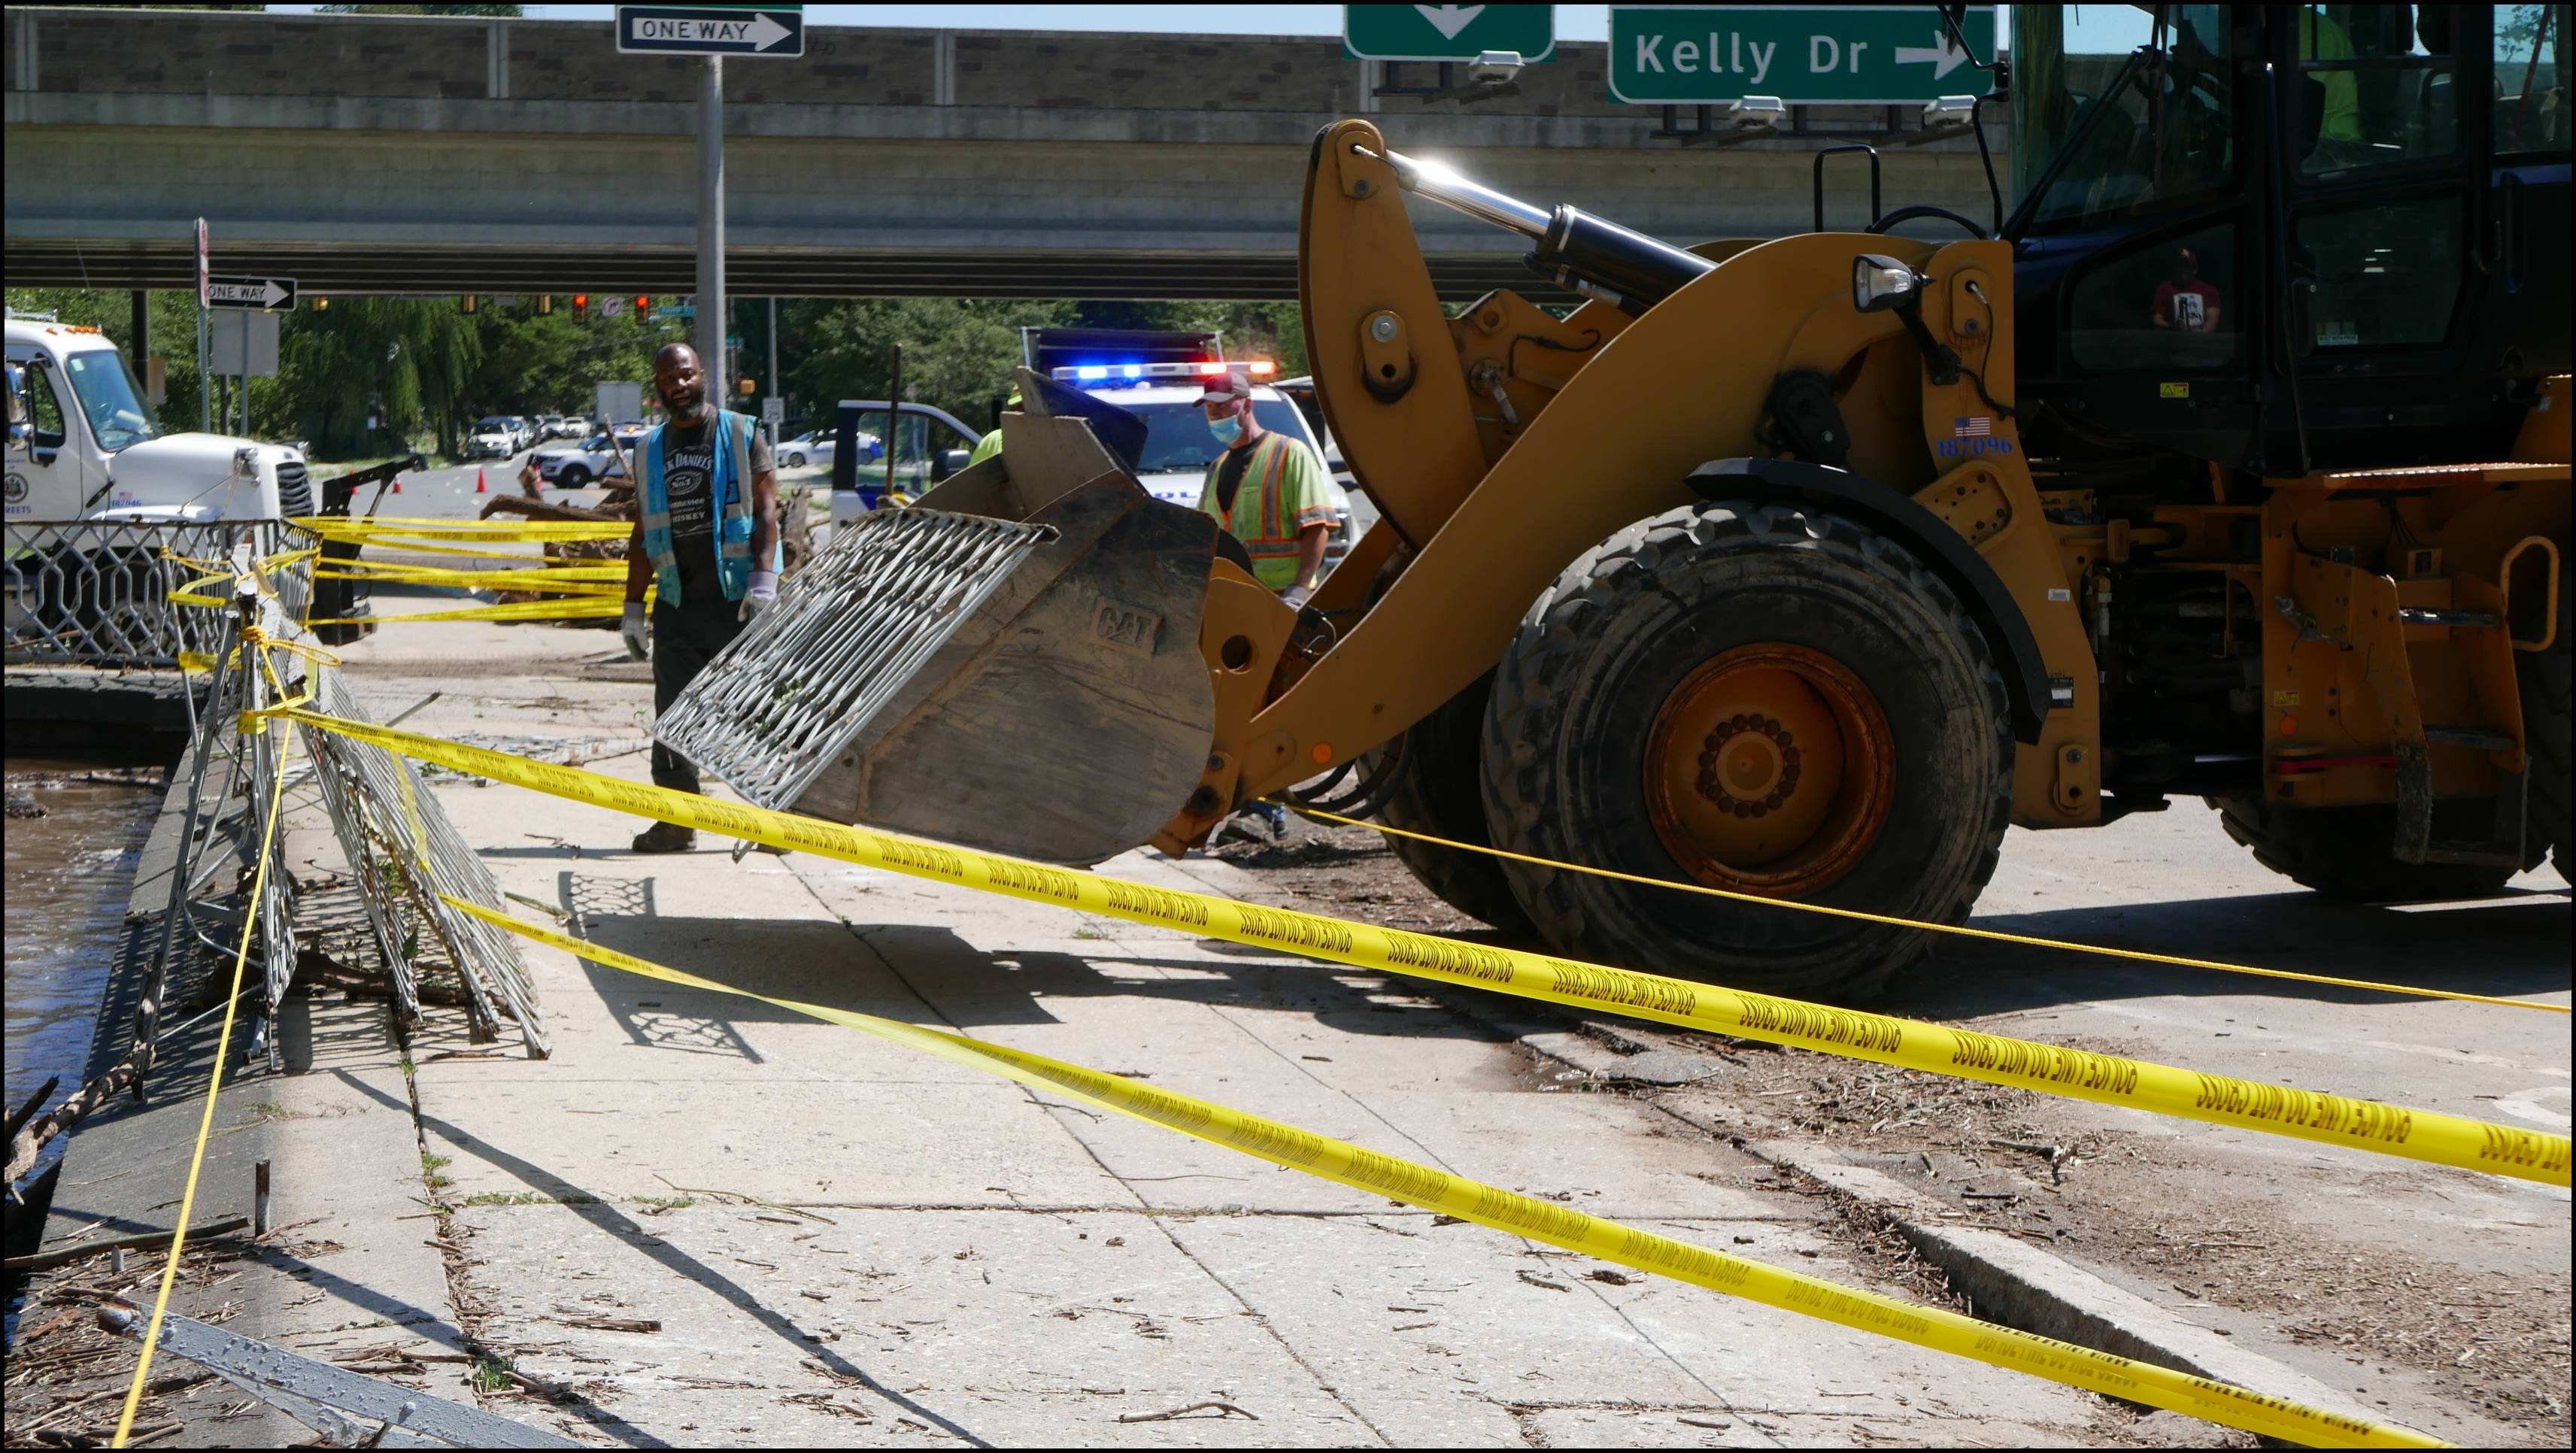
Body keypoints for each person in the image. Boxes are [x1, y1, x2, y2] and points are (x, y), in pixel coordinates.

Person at [619, 343, 781, 854]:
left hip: (736, 601)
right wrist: (630, 605)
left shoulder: (739, 432)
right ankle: (676, 821)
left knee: (752, 711)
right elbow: (643, 531)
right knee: (671, 717)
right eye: (669, 378)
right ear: (658, 386)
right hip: (676, 601)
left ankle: (774, 822)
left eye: (686, 374)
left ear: (702, 376)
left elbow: (767, 512)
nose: (679, 384)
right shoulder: (649, 448)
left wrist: (764, 580)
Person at [1194, 365, 1334, 842]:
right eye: (1209, 408)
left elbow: (1316, 526)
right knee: (1231, 713)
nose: (1214, 415)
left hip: (1277, 607)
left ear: (1245, 404)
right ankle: (1238, 806)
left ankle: (1265, 810)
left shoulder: (1288, 455)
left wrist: (1299, 589)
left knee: (1265, 710)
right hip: (1232, 611)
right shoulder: (1217, 468)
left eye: (1222, 406)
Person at [2149, 247, 2222, 333]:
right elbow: (2157, 318)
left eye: (2187, 266)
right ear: (2175, 268)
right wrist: (2172, 326)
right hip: (2173, 340)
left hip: (2201, 341)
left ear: (2195, 269)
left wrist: (2203, 332)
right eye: (2180, 265)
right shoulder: (2164, 288)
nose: (2183, 269)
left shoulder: (2209, 290)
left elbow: (2213, 315)